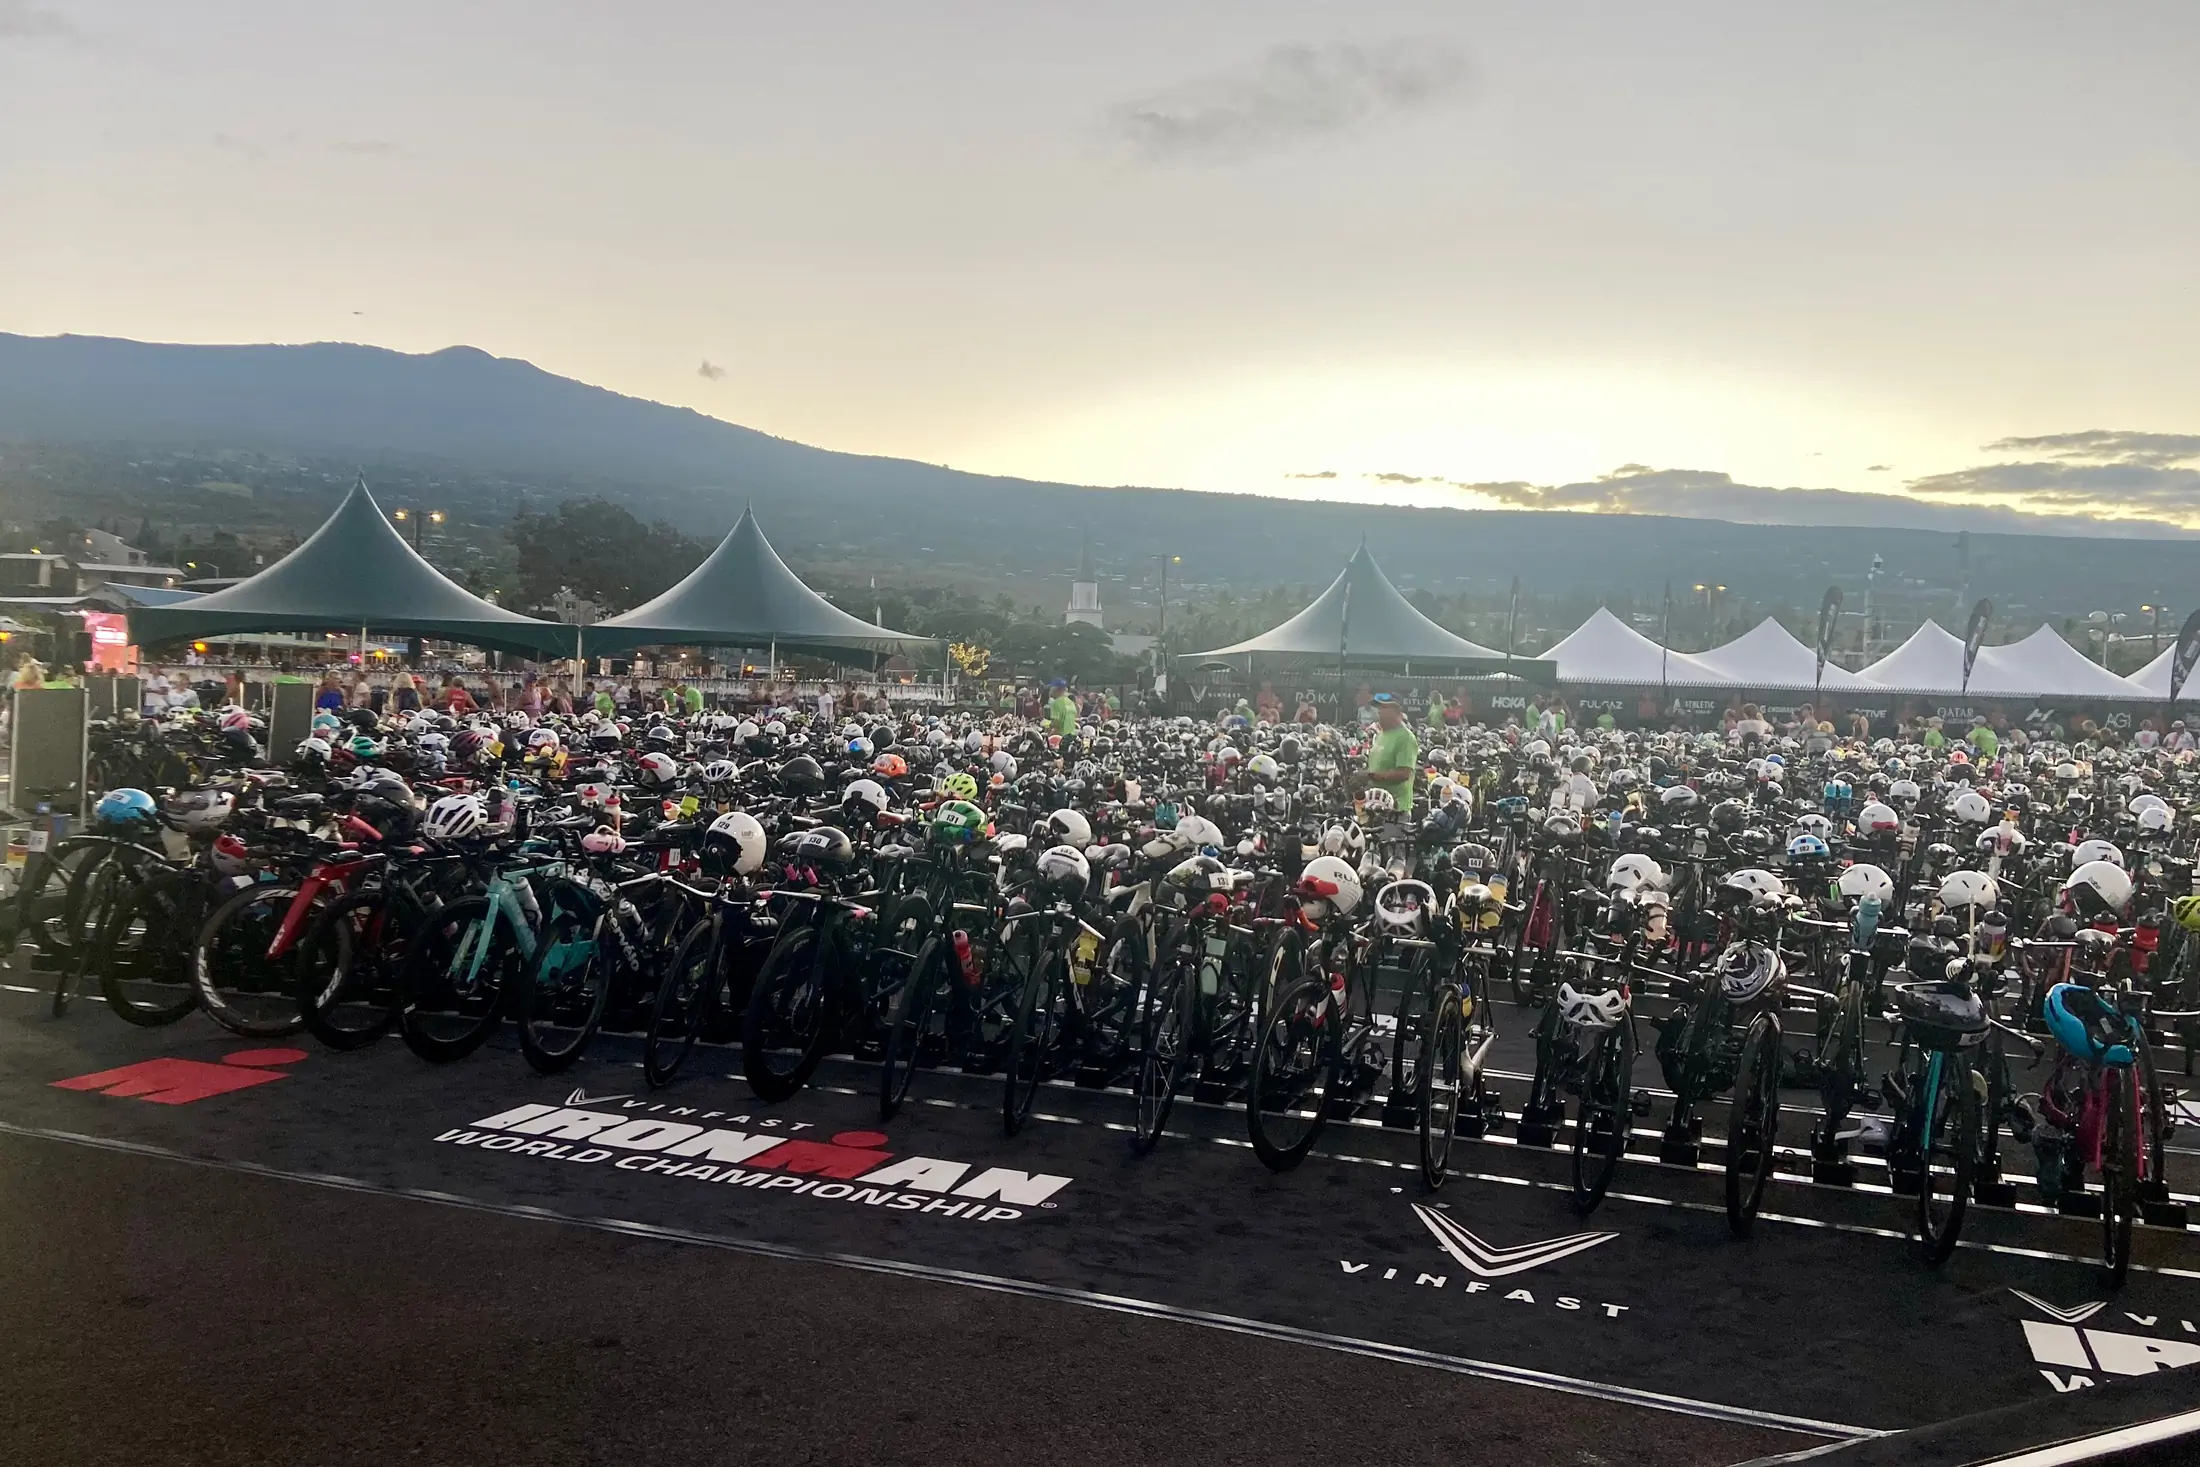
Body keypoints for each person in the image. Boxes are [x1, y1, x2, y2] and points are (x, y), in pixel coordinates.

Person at [1365, 693, 1420, 816]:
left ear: (1396, 711)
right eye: (1378, 708)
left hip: (1395, 810)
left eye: (1384, 708)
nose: (1379, 712)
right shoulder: (1380, 735)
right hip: (1375, 805)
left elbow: (1404, 773)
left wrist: (1371, 776)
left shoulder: (1405, 738)